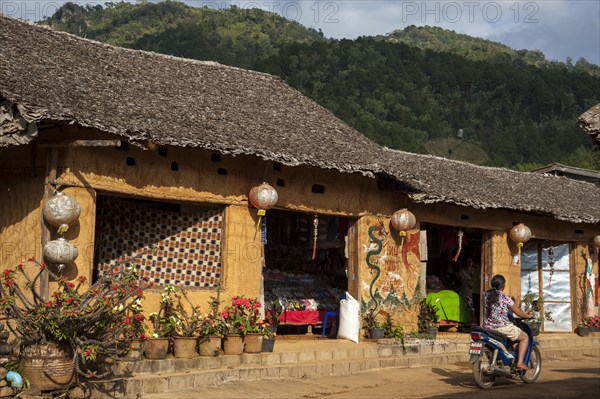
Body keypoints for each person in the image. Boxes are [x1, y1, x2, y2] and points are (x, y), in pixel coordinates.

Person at [483, 274, 533, 370]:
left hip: (488, 327)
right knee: (525, 337)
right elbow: (519, 313)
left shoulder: (485, 295)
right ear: (503, 286)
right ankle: (520, 362)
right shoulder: (505, 297)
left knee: (513, 337)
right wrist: (528, 315)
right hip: (502, 327)